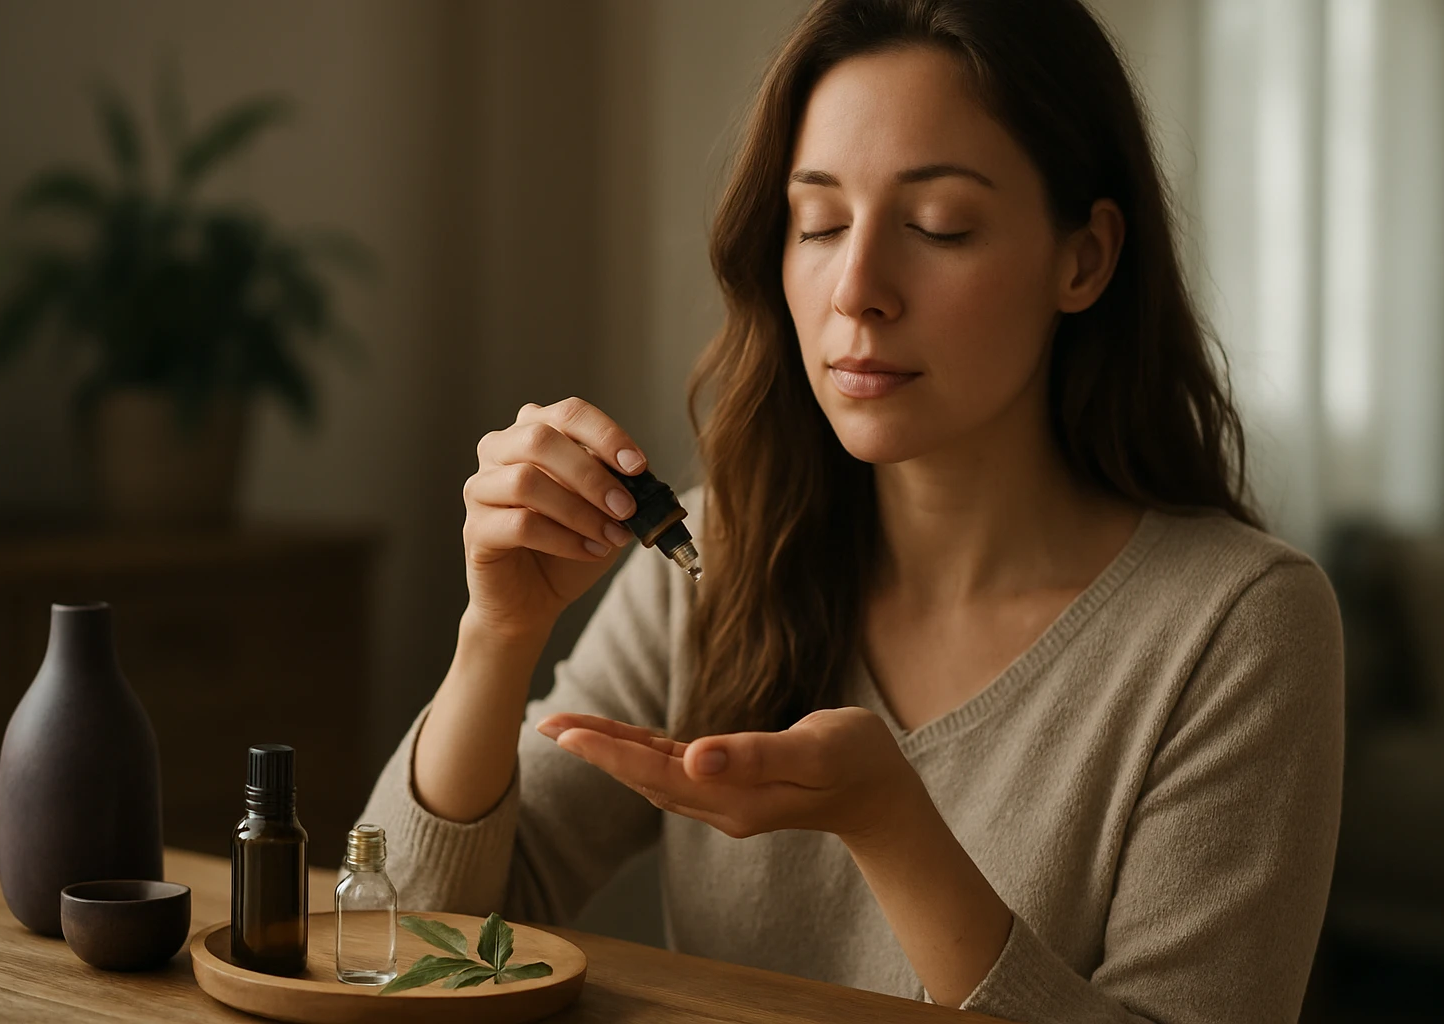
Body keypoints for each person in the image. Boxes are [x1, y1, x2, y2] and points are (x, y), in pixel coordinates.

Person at [359, 1, 1344, 1020]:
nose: (857, 288)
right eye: (819, 223)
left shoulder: (1238, 627)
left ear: (1083, 258)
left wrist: (895, 831)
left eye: (938, 227)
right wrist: (499, 634)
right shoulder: (722, 553)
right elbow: (408, 940)